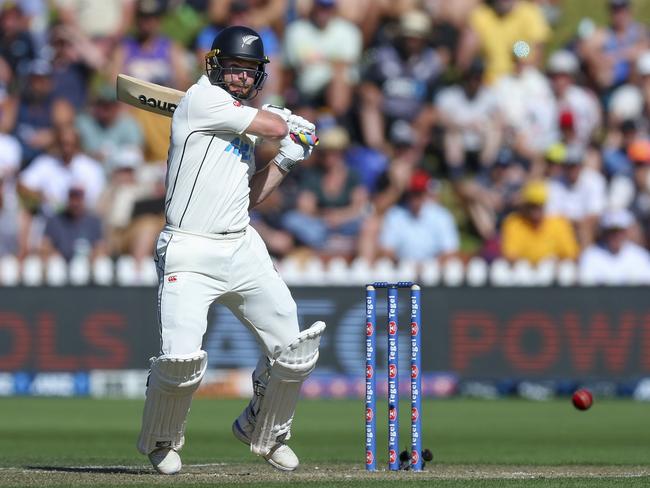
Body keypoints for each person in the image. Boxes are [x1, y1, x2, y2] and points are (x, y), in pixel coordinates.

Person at [136, 26, 325, 475]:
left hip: (241, 246)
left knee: (294, 351)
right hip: (189, 249)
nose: (241, 78)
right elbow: (273, 125)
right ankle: (162, 439)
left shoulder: (238, 121)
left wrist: (285, 160)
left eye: (249, 72)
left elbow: (250, 195)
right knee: (180, 362)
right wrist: (283, 121)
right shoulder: (203, 100)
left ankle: (264, 429)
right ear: (215, 66)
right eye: (234, 69)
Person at [500, 180, 579, 264]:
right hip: (525, 271)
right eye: (532, 205)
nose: (536, 210)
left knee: (565, 268)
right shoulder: (514, 223)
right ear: (525, 206)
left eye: (539, 204)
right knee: (511, 268)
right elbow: (510, 255)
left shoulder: (558, 223)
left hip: (551, 271)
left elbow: (572, 254)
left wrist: (555, 260)